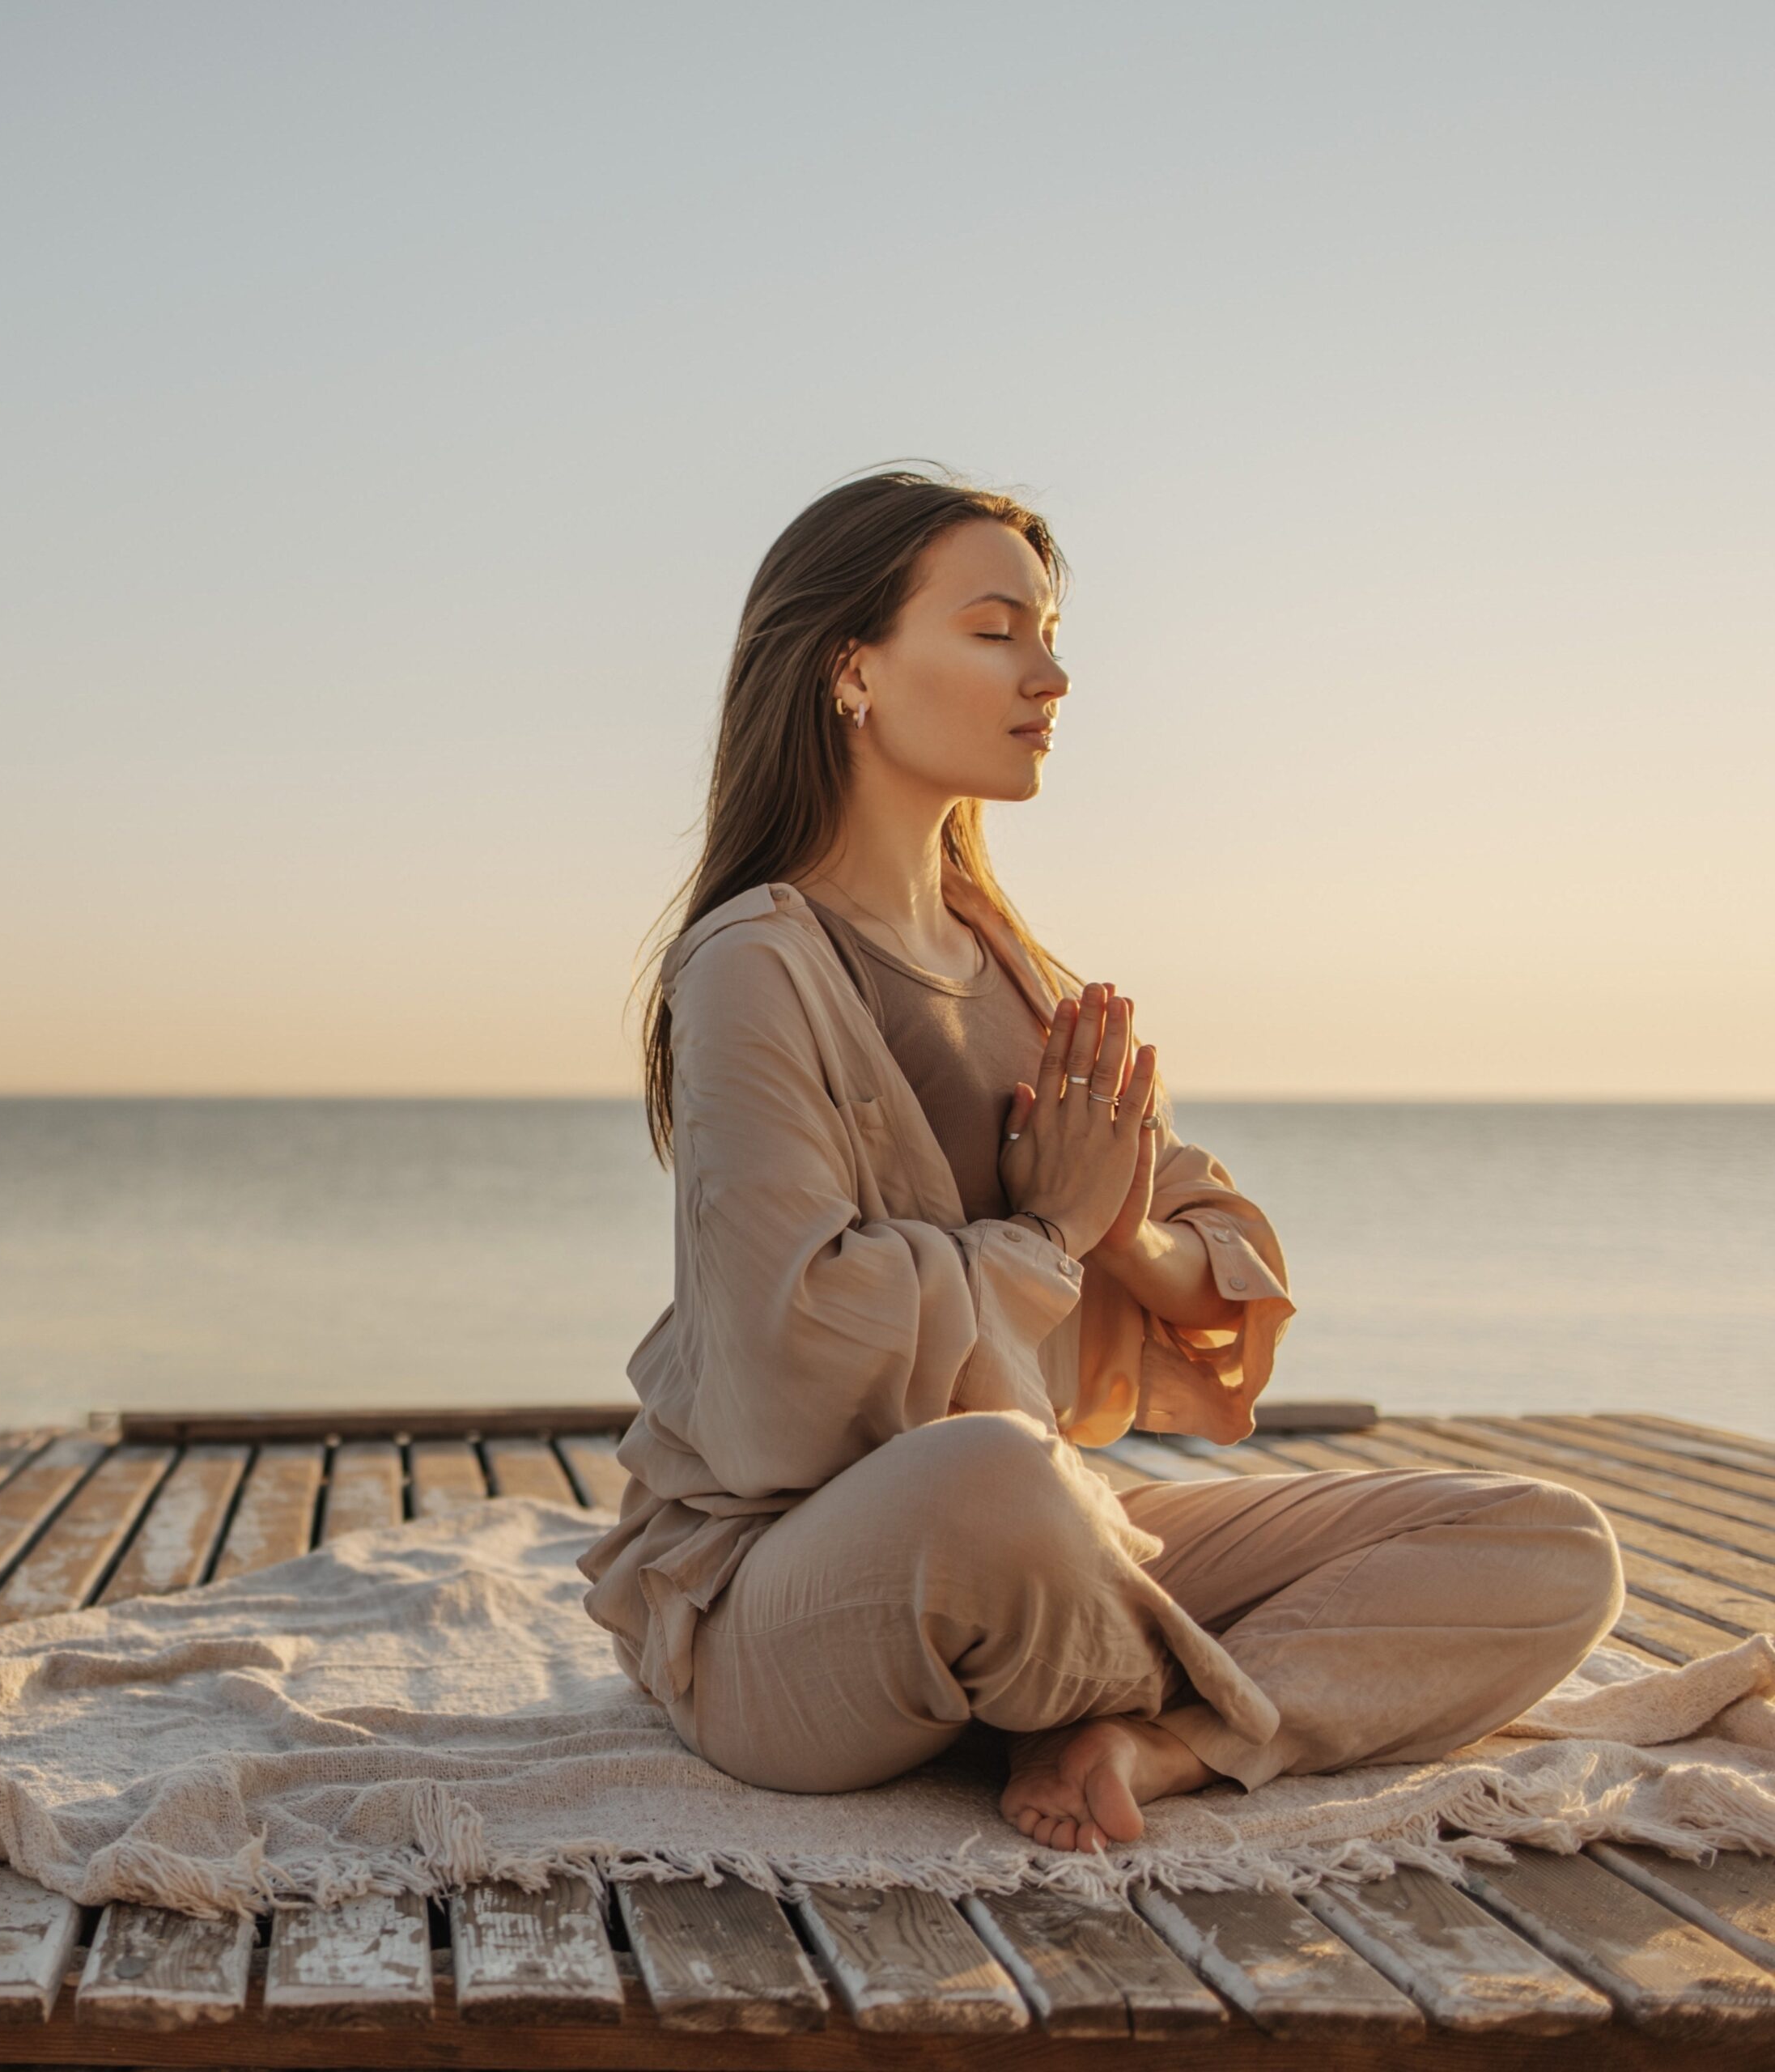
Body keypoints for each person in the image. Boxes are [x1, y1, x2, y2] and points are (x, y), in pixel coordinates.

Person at [578, 465, 1624, 1853]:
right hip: (795, 1587)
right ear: (852, 671)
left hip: (1046, 1541)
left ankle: (1156, 1739)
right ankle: (1208, 1672)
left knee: (1550, 1546)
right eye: (998, 630)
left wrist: (1118, 1234)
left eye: (1052, 632)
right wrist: (1047, 1241)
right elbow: (788, 1345)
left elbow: (1205, 1242)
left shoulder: (1016, 964)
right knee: (1000, 1483)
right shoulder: (750, 965)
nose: (1052, 674)